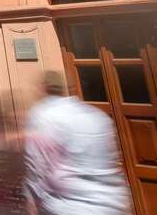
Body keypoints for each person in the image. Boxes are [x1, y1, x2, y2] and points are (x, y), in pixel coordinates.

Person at [24, 70, 131, 214]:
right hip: (111, 201)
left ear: (42, 88)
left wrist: (32, 198)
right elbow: (111, 160)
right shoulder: (96, 115)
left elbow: (37, 164)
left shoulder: (43, 116)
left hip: (71, 205)